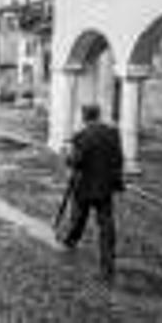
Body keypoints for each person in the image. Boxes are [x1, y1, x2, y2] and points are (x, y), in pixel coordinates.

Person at [57, 103, 125, 285]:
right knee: (106, 225)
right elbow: (118, 158)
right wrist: (115, 180)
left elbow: (76, 162)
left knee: (79, 217)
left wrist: (66, 155)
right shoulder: (112, 133)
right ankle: (108, 264)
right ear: (98, 115)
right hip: (105, 187)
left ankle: (71, 240)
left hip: (85, 186)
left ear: (84, 117)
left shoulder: (81, 136)